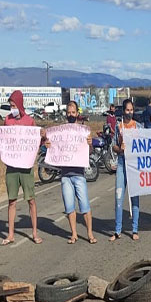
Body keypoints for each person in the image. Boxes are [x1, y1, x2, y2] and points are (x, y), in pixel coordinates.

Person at [0, 90, 43, 246]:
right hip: (12, 166)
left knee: (31, 200)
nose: (12, 108)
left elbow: (35, 142)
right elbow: (4, 140)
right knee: (12, 200)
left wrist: (43, 137)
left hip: (26, 166)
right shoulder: (7, 120)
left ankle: (34, 232)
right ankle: (11, 234)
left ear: (20, 104)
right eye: (11, 105)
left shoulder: (29, 121)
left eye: (14, 105)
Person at [46, 101, 96, 244]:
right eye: (68, 112)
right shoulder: (60, 132)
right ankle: (73, 234)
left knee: (85, 206)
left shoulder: (83, 131)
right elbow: (53, 146)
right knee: (69, 207)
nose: (70, 115)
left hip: (79, 174)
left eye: (73, 112)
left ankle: (90, 234)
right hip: (65, 175)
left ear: (77, 114)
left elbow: (89, 152)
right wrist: (48, 145)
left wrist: (89, 144)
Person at [110, 99, 140, 242]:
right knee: (119, 197)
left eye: (131, 110)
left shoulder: (137, 127)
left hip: (133, 165)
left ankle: (135, 229)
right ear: (123, 111)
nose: (129, 112)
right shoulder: (118, 126)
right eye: (127, 110)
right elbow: (114, 147)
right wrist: (119, 149)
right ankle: (117, 230)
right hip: (122, 163)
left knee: (134, 197)